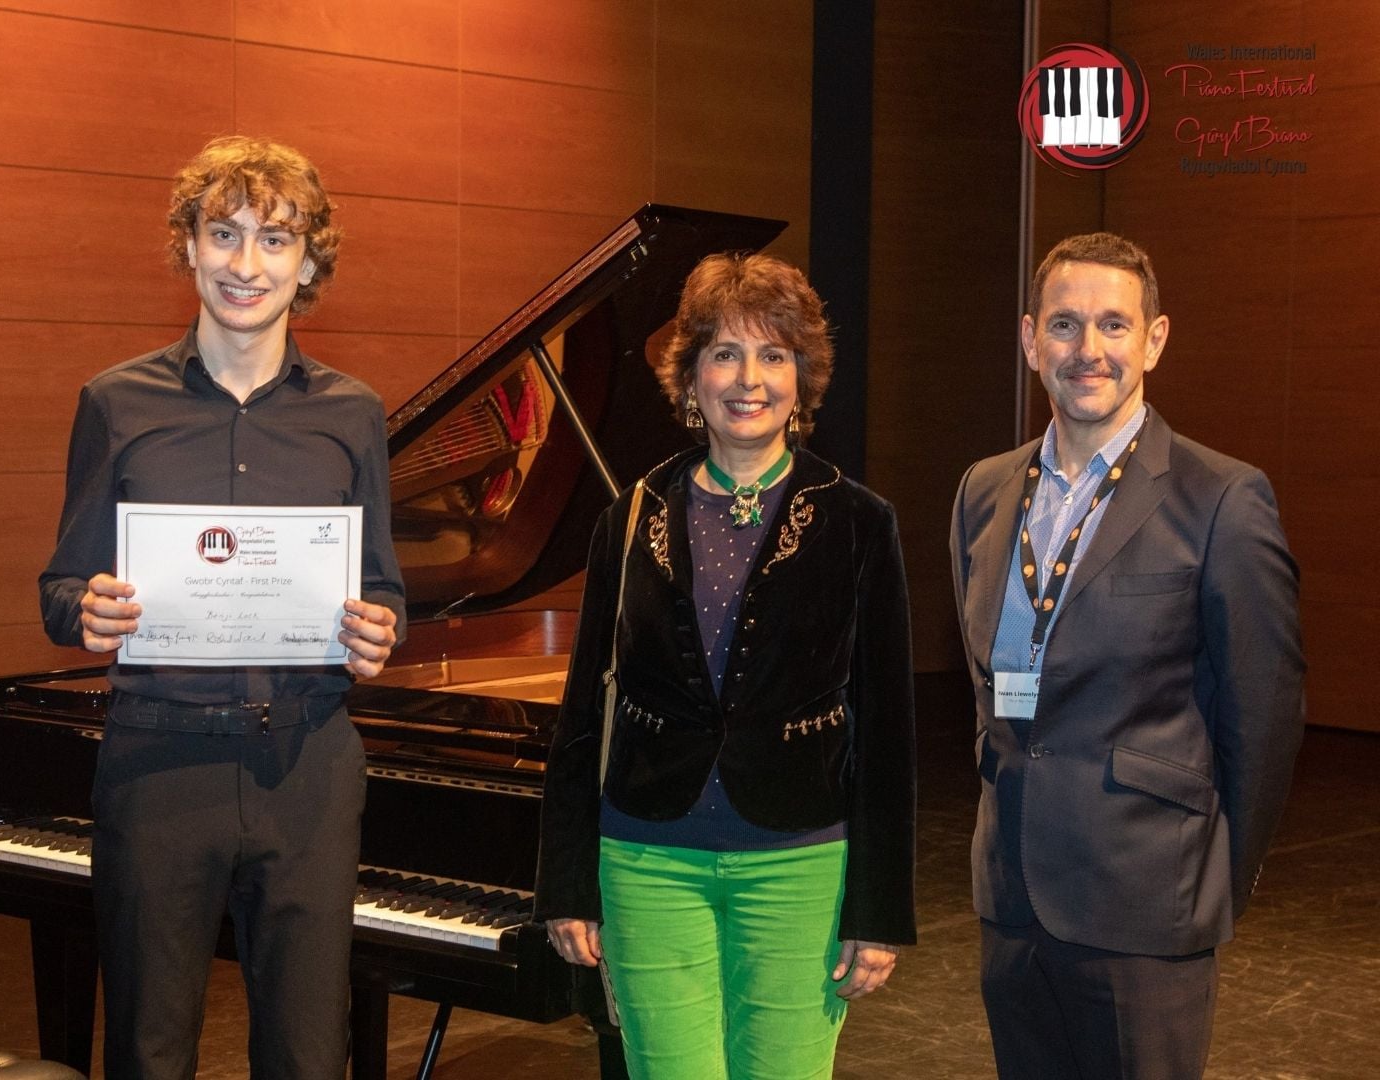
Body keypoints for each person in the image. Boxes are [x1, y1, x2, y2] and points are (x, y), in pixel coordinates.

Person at [38, 135, 405, 1080]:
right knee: (149, 1051)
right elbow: (61, 588)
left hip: (308, 766)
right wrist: (87, 609)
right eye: (224, 234)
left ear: (308, 263)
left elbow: (382, 586)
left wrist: (379, 630)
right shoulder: (115, 402)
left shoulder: (354, 413)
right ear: (189, 247)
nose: (248, 264)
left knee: (309, 1055)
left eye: (276, 240)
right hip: (158, 764)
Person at [536, 252, 917, 1079]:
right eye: (725, 353)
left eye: (773, 355)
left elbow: (887, 729)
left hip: (799, 863)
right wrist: (566, 884)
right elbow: (583, 715)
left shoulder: (859, 521)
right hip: (647, 863)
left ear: (801, 376)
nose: (749, 379)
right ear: (691, 377)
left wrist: (880, 908)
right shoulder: (627, 517)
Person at [950, 232, 1305, 1079]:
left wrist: (1212, 877)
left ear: (1154, 340)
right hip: (1011, 898)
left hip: (1147, 906)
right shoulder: (982, 490)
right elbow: (989, 686)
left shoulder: (1221, 498)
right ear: (1031, 340)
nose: (1089, 349)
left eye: (1114, 324)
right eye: (1064, 325)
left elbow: (1263, 714)